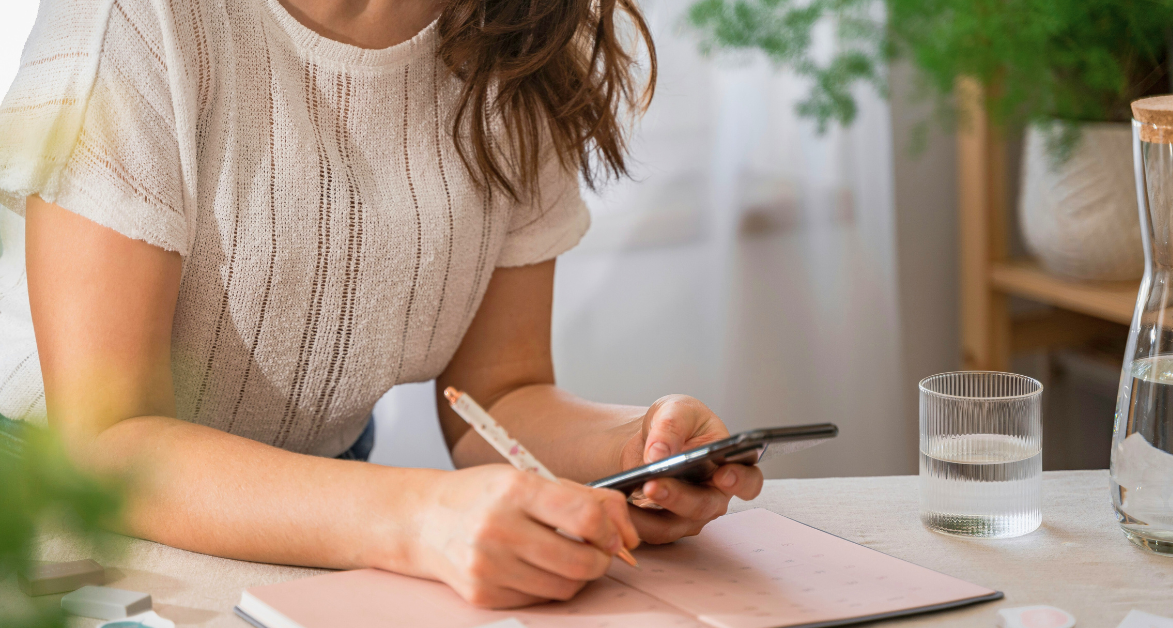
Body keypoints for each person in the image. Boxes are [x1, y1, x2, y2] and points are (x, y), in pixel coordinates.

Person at [0, 0, 763, 609]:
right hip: (52, 522)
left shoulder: (520, 43)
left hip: (313, 522)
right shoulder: (134, 18)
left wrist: (634, 452)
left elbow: (499, 398)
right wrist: (419, 517)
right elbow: (107, 442)